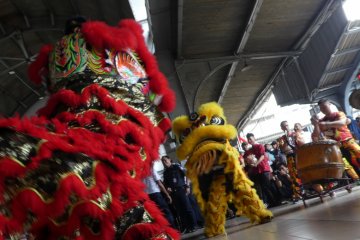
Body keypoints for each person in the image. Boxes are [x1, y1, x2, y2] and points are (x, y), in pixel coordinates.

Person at [312, 99, 360, 173]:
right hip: (336, 145)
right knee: (351, 163)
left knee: (358, 153)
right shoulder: (322, 120)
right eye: (321, 108)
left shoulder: (339, 114)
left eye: (324, 107)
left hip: (348, 140)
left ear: (329, 105)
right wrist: (316, 125)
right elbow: (316, 135)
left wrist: (327, 124)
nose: (323, 109)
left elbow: (342, 122)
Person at [161, 155, 197, 234]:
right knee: (180, 211)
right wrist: (168, 188)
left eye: (165, 160)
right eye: (162, 161)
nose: (164, 162)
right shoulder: (165, 173)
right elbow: (166, 184)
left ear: (170, 159)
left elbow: (187, 174)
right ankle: (187, 227)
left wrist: (187, 186)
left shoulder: (176, 167)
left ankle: (193, 225)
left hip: (181, 189)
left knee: (187, 208)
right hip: (174, 193)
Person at [244, 133, 281, 208]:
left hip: (264, 168)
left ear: (254, 138)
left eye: (250, 138)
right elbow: (246, 158)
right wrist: (250, 162)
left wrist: (256, 163)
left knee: (268, 185)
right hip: (257, 170)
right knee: (263, 187)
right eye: (248, 139)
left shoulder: (260, 146)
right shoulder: (249, 150)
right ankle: (272, 201)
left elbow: (262, 156)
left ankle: (277, 200)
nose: (249, 140)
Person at [143, 162, 176, 229]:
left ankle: (166, 232)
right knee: (166, 212)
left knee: (156, 216)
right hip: (155, 194)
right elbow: (159, 183)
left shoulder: (138, 172)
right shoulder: (151, 169)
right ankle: (173, 230)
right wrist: (167, 194)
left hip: (147, 197)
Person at [278, 120, 302, 201]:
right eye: (284, 126)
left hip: (299, 155)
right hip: (290, 157)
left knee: (303, 172)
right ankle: (298, 193)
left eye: (287, 125)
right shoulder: (282, 138)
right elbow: (283, 149)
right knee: (294, 175)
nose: (286, 127)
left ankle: (311, 189)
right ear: (281, 128)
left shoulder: (295, 133)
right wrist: (285, 140)